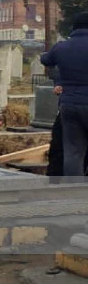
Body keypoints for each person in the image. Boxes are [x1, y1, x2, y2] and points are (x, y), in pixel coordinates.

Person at [41, 12, 88, 177]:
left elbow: (45, 60)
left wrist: (60, 80)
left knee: (73, 151)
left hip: (68, 104)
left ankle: (72, 190)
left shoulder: (61, 47)